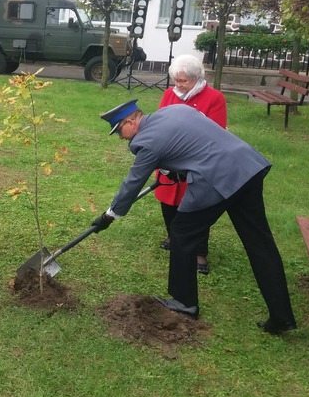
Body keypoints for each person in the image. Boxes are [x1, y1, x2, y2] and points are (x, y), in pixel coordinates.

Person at [93, 98, 297, 335]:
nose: (122, 137)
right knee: (260, 243)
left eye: (120, 131)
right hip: (246, 168)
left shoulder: (146, 141)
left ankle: (184, 303)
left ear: (130, 121)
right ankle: (282, 317)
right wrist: (177, 168)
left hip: (217, 180)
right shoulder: (174, 110)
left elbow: (133, 183)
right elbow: (196, 142)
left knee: (181, 233)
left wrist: (110, 214)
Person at [155, 54, 227, 275]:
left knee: (196, 208)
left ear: (197, 78)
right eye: (176, 80)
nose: (178, 85)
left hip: (197, 163)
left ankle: (199, 252)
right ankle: (173, 236)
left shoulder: (214, 98)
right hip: (170, 159)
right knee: (168, 203)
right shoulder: (170, 94)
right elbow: (159, 121)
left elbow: (215, 132)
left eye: (183, 81)